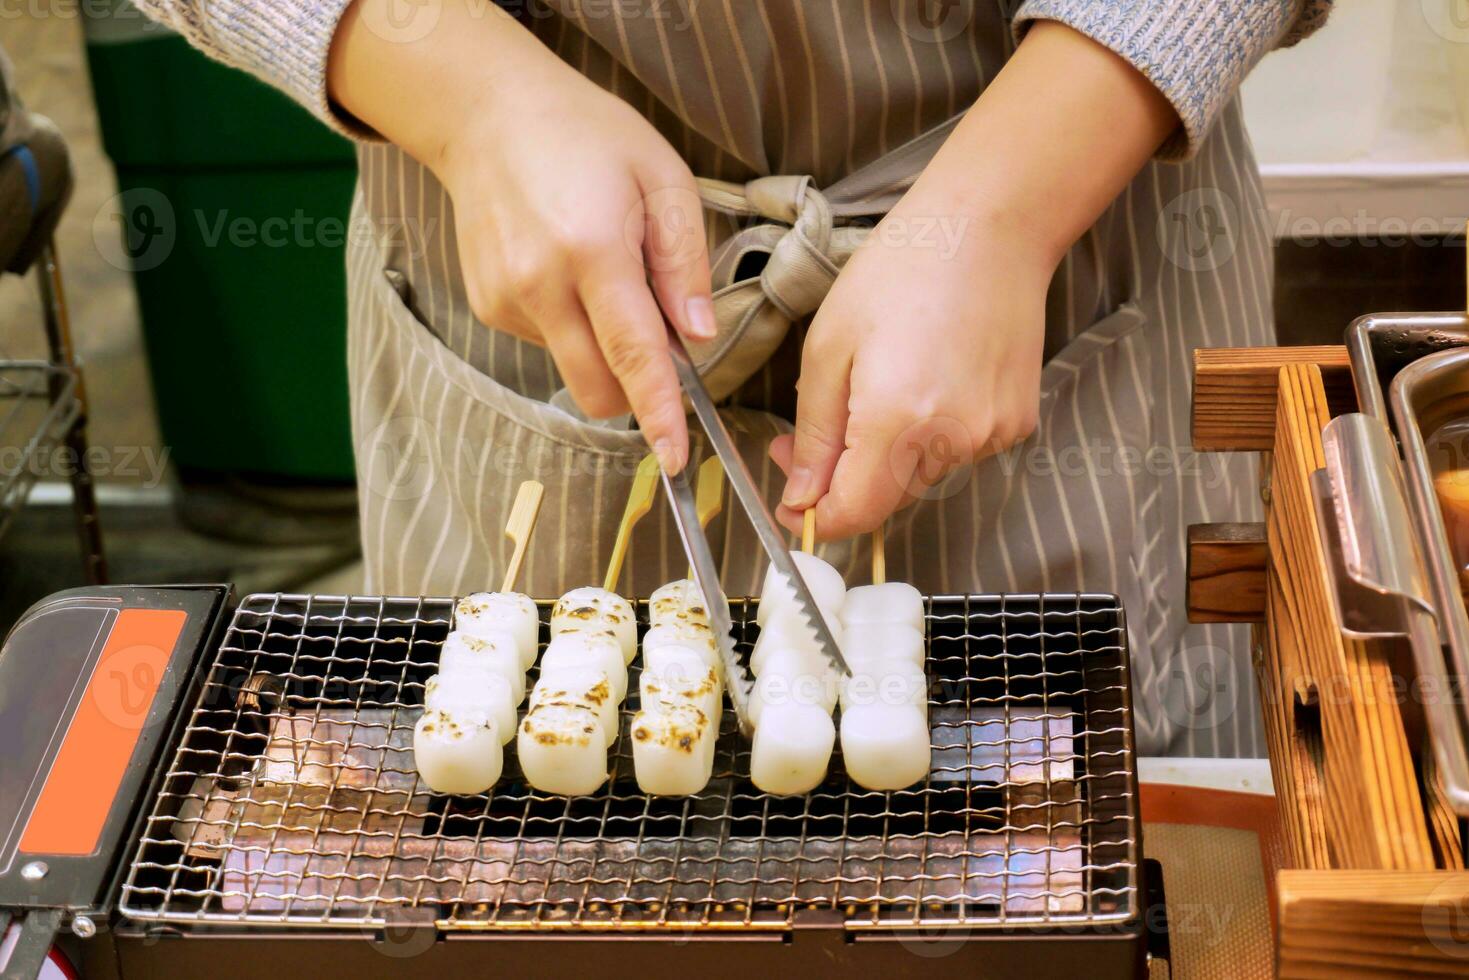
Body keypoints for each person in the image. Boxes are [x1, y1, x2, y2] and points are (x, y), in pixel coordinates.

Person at [131, 0, 1329, 756]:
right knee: (531, 864)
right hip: (523, 266)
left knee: (1079, 812)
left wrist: (1011, 205)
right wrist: (468, 96)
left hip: (1074, 228)